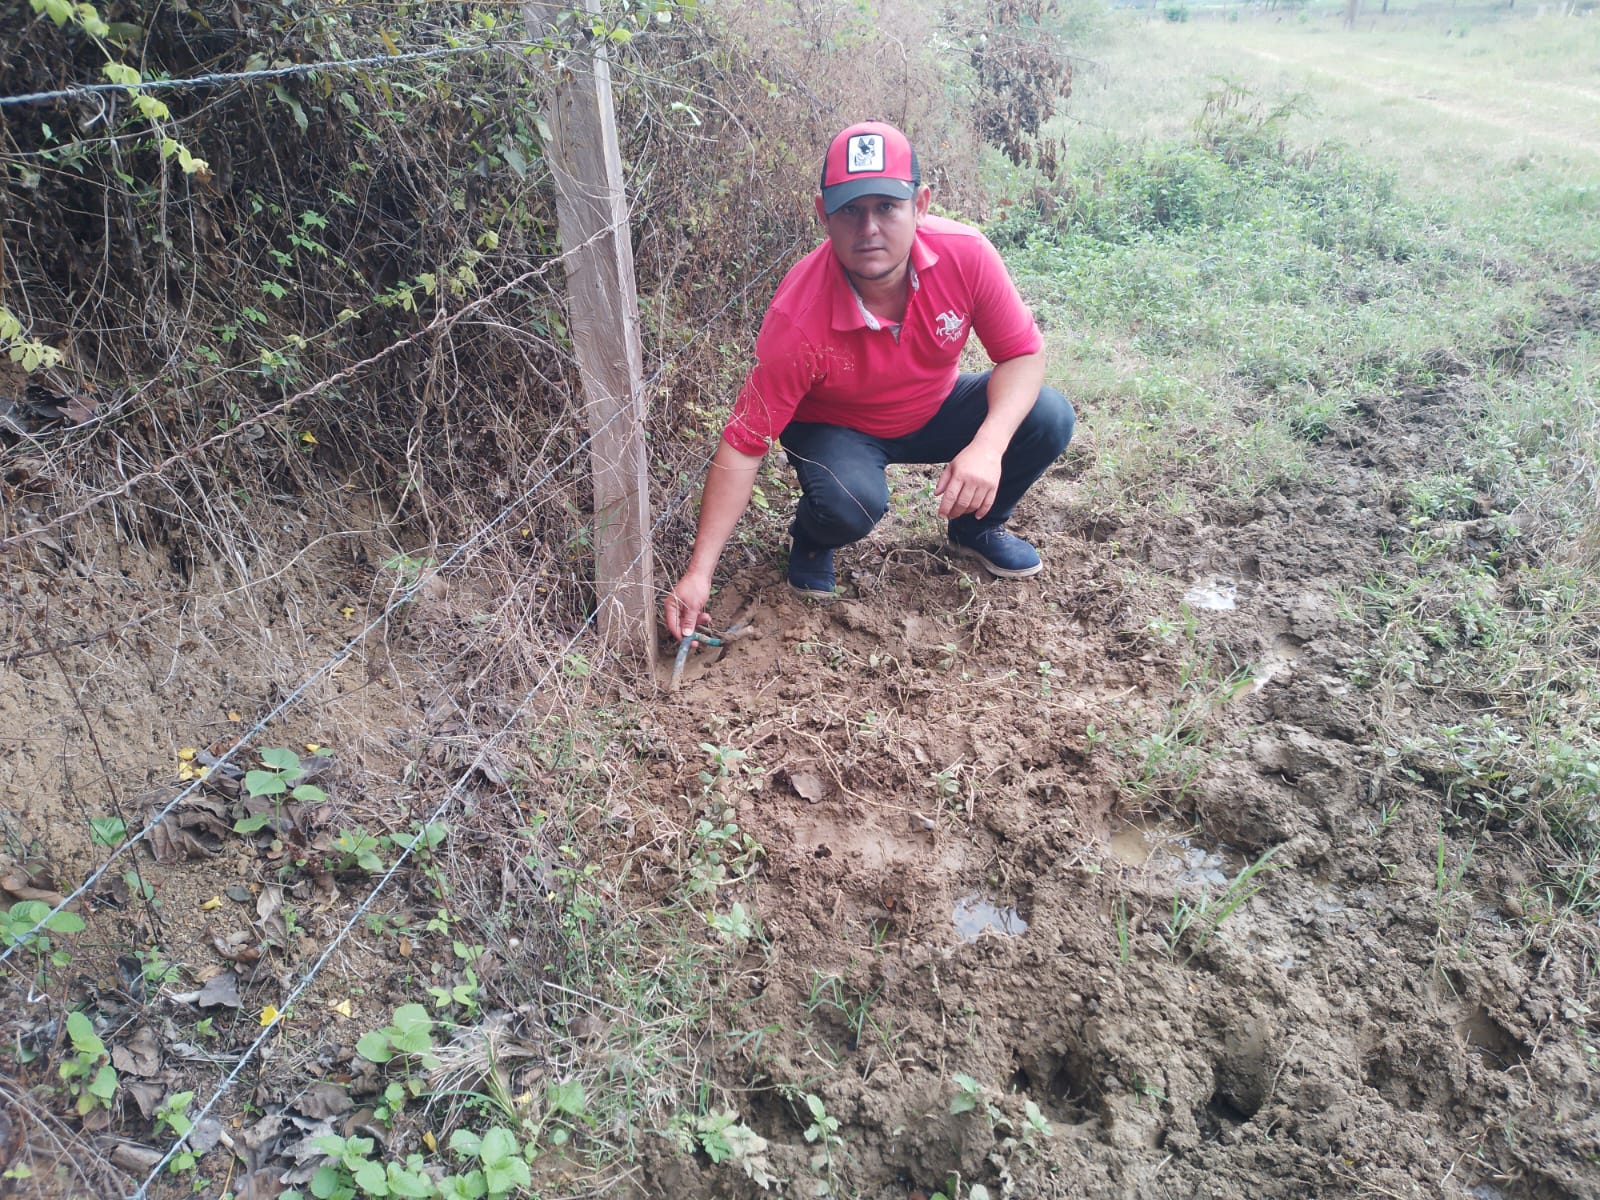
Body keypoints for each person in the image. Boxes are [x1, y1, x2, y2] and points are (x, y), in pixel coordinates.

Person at [663, 120, 1075, 641]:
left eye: (886, 206)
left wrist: (988, 446)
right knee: (850, 502)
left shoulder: (966, 255)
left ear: (920, 205)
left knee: (1047, 416)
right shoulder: (798, 317)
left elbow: (1022, 354)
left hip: (932, 405)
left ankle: (976, 528)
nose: (869, 228)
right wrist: (699, 573)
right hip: (837, 428)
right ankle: (812, 538)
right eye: (850, 210)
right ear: (823, 214)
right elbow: (744, 444)